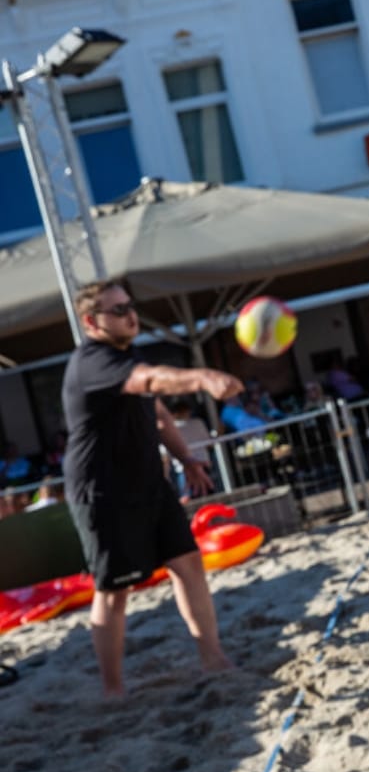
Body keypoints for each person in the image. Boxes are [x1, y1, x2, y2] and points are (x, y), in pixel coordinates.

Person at [62, 278, 244, 697]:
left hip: (149, 482)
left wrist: (186, 460)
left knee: (189, 564)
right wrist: (201, 377)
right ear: (92, 322)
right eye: (119, 310)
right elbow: (151, 381)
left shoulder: (128, 354)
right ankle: (113, 690)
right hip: (103, 492)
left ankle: (213, 660)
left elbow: (159, 413)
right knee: (114, 591)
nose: (131, 315)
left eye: (131, 306)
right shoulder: (93, 362)